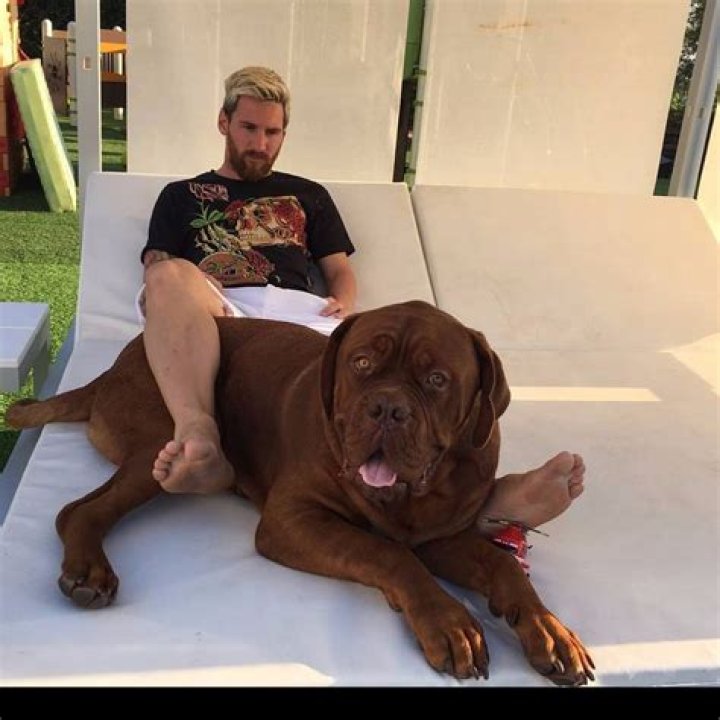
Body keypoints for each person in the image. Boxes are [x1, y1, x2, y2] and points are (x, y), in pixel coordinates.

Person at [139, 66, 585, 561]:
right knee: (167, 277)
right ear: (224, 123)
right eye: (249, 128)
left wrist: (342, 305)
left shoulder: (309, 195)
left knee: (411, 389)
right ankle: (198, 432)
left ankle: (486, 501)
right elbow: (158, 267)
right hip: (222, 311)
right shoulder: (180, 196)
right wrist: (178, 293)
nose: (261, 143)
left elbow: (339, 270)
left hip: (301, 317)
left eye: (273, 132)